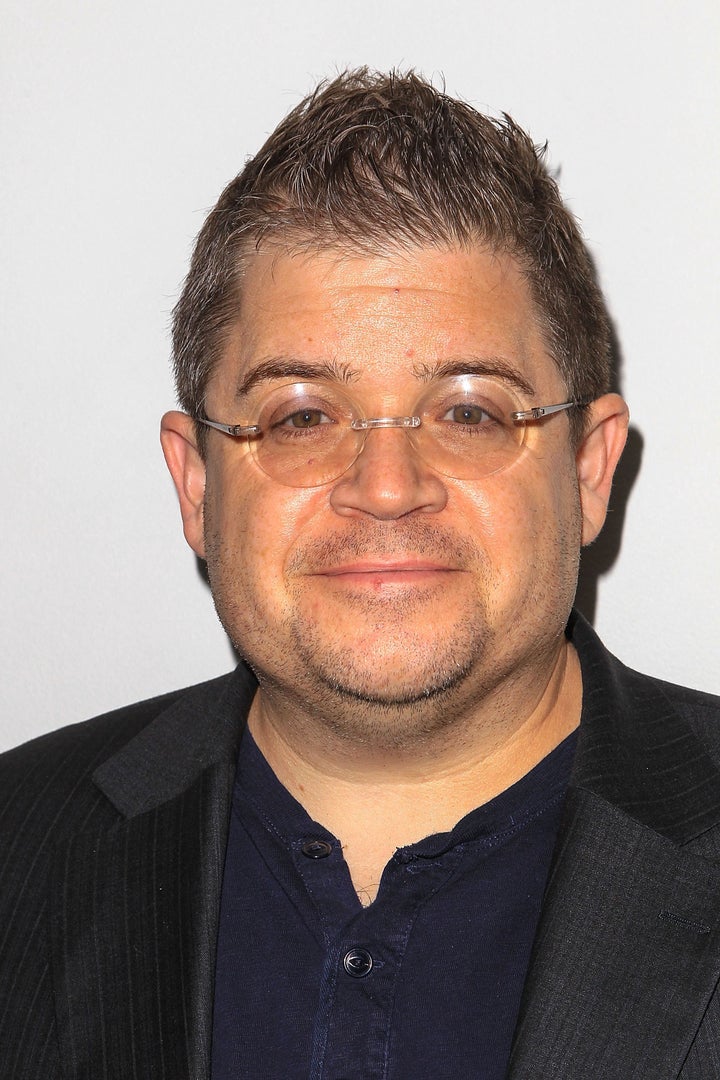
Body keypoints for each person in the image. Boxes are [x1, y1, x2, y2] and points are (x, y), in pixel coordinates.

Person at [2, 69, 719, 1080]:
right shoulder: (17, 850)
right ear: (197, 484)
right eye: (301, 416)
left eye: (470, 411)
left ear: (590, 470)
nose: (387, 488)